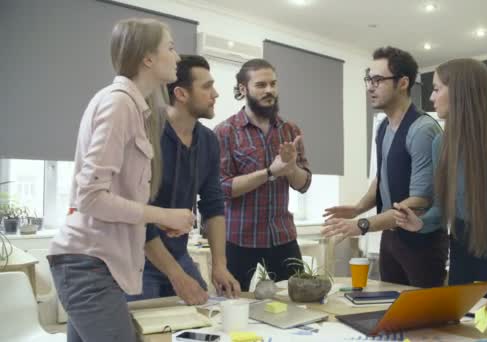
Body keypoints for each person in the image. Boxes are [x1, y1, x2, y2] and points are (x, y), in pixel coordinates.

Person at [47, 18, 193, 342]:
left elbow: (111, 196)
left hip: (94, 264)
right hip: (89, 265)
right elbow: (90, 197)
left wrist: (149, 220)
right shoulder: (118, 105)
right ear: (148, 58)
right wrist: (162, 214)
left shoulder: (132, 107)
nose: (178, 57)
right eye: (170, 47)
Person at [322, 46, 448, 288]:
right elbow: (383, 178)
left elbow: (418, 202)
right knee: (391, 312)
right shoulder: (383, 127)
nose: (370, 86)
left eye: (378, 80)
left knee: (423, 321)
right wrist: (358, 208)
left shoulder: (422, 130)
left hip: (422, 244)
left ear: (403, 83)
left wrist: (363, 224)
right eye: (369, 79)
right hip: (391, 239)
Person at [393, 58, 487, 287]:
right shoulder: (440, 143)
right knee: (460, 322)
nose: (432, 98)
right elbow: (442, 209)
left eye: (436, 89)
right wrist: (420, 223)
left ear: (461, 92)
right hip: (461, 252)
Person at [126, 55, 240, 305]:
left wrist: (219, 265)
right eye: (207, 86)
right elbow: (137, 218)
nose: (216, 94)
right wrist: (177, 276)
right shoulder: (145, 132)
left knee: (206, 317)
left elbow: (213, 204)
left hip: (179, 254)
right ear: (181, 93)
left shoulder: (209, 140)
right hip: (138, 258)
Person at [214, 59, 311, 291]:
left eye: (273, 84)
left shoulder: (291, 130)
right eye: (261, 85)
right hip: (238, 239)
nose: (269, 90)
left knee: (301, 300)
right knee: (232, 303)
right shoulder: (225, 132)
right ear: (242, 89)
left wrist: (291, 169)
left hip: (282, 237)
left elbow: (304, 183)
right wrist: (270, 172)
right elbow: (222, 188)